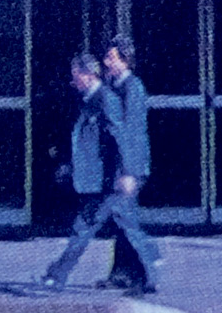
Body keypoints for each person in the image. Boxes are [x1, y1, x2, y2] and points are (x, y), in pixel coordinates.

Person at [38, 54, 160, 295]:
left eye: (76, 76)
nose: (73, 81)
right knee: (124, 224)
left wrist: (126, 172)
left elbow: (120, 137)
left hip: (108, 180)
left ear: (87, 74)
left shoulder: (105, 99)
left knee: (85, 227)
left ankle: (57, 275)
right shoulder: (90, 99)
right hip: (102, 179)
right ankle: (151, 265)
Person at [98, 35, 159, 293]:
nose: (105, 62)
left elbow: (131, 132)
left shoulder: (132, 88)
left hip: (130, 167)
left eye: (111, 58)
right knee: (121, 219)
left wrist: (128, 172)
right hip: (121, 166)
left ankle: (147, 272)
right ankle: (122, 272)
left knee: (126, 219)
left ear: (125, 60)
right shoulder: (115, 86)